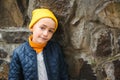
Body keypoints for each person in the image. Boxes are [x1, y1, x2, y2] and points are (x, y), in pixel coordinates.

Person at [8, 8, 69, 80]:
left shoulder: (55, 49)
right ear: (32, 27)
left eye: (50, 31)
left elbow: (63, 74)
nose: (46, 34)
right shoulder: (19, 53)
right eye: (42, 28)